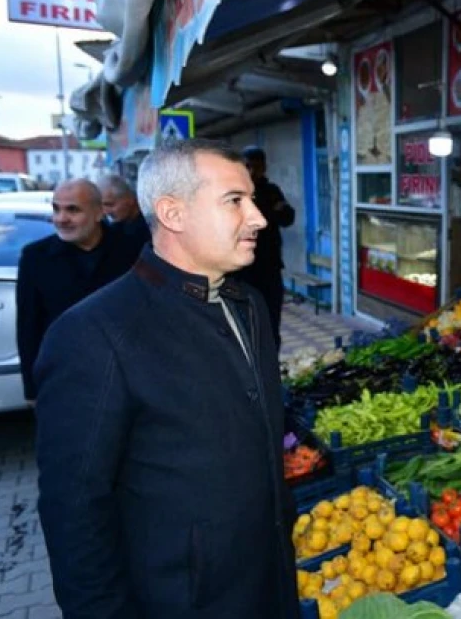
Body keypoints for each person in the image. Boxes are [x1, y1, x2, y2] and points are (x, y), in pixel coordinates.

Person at [33, 139, 298, 619]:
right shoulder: (93, 335)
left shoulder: (249, 306)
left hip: (268, 585)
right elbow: (75, 518)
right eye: (235, 201)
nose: (257, 218)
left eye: (253, 200)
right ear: (173, 213)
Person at [16, 178, 137, 403]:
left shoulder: (133, 250)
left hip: (128, 377)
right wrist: (32, 389)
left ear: (99, 212)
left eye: (73, 209)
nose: (61, 218)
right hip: (65, 380)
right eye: (56, 208)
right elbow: (28, 327)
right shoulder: (36, 257)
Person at [233, 146, 294, 349]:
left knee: (271, 323)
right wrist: (270, 213)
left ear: (264, 167)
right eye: (248, 166)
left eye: (257, 166)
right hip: (243, 271)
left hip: (269, 267)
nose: (253, 171)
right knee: (246, 326)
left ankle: (270, 374)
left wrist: (275, 211)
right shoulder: (236, 195)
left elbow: (287, 217)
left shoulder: (271, 191)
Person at [98, 173, 150, 255]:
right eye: (102, 206)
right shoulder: (114, 230)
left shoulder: (153, 226)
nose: (105, 212)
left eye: (110, 204)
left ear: (130, 199)